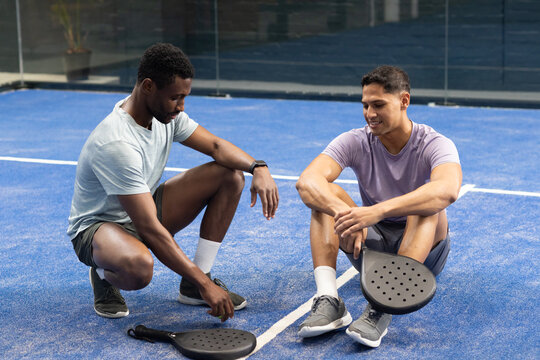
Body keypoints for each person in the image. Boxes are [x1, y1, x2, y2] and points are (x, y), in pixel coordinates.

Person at [67, 43, 279, 321]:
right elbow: (150, 229)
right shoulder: (116, 142)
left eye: (184, 98)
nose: (181, 107)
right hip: (97, 229)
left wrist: (257, 166)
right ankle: (103, 274)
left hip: (144, 207)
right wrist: (209, 289)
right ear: (148, 86)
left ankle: (194, 282)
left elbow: (216, 146)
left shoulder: (166, 116)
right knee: (138, 268)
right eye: (175, 98)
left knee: (230, 174)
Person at [295, 65, 461, 347]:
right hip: (371, 247)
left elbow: (447, 190)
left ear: (404, 101)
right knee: (327, 194)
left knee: (425, 202)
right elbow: (307, 182)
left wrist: (377, 211)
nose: (370, 114)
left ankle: (381, 308)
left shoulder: (435, 143)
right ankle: (329, 300)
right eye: (366, 105)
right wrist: (343, 214)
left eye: (379, 105)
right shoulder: (356, 140)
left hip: (424, 255)